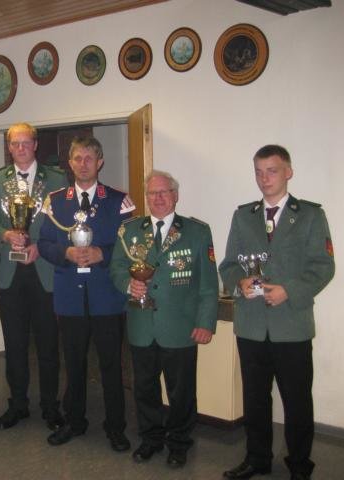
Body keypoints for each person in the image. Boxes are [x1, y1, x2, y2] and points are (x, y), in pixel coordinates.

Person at [219, 145, 334, 480]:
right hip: (252, 325)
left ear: (288, 172)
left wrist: (290, 291)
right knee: (254, 399)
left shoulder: (310, 215)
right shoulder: (244, 215)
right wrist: (239, 283)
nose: (264, 178)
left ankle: (299, 464)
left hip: (291, 325)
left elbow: (323, 266)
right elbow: (228, 265)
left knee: (297, 401)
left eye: (272, 170)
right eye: (258, 171)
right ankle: (257, 459)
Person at [110, 170, 218, 469]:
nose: (157, 198)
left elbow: (208, 283)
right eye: (152, 193)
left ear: (175, 195)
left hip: (180, 326)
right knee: (144, 388)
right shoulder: (129, 230)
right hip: (141, 325)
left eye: (164, 192)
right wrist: (128, 284)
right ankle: (151, 438)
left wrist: (206, 322)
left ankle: (180, 442)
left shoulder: (196, 232)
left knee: (181, 390)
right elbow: (117, 267)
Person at [38, 136, 135, 451]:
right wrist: (65, 252)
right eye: (77, 158)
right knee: (74, 364)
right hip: (69, 298)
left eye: (89, 158)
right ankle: (74, 421)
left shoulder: (119, 200)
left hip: (107, 297)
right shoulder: (54, 201)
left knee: (110, 365)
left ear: (100, 161)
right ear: (69, 162)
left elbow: (129, 248)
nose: (83, 164)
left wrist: (101, 254)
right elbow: (43, 243)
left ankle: (116, 427)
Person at [0, 122, 68, 430]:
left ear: (35, 145)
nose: (20, 148)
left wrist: (39, 247)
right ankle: (17, 404)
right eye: (14, 143)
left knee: (48, 343)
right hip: (10, 273)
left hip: (44, 270)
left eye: (25, 142)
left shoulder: (57, 178)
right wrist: (6, 234)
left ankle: (50, 406)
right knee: (15, 344)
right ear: (9, 147)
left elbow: (63, 222)